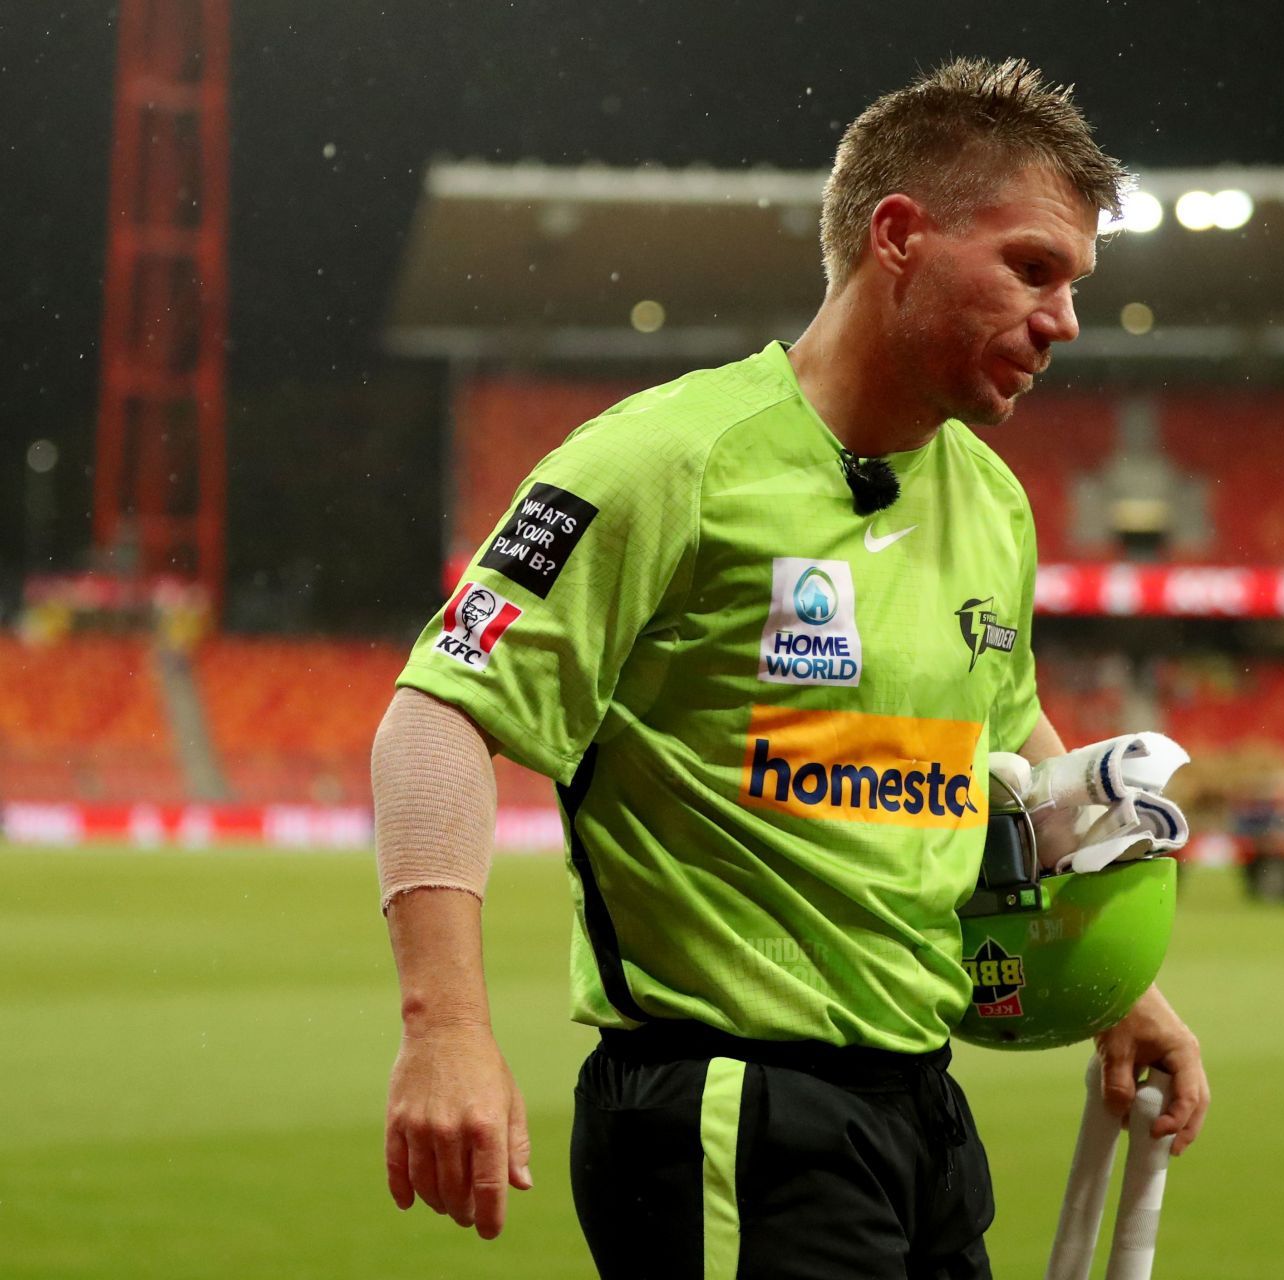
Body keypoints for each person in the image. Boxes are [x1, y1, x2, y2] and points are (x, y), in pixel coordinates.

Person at [371, 57, 1209, 1277]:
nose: (1066, 318)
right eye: (1033, 266)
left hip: (920, 1108)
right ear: (900, 235)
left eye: (1074, 283)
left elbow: (1006, 755)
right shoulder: (665, 460)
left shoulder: (994, 501)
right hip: (732, 1107)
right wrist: (442, 1029)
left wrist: (1111, 987)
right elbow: (437, 716)